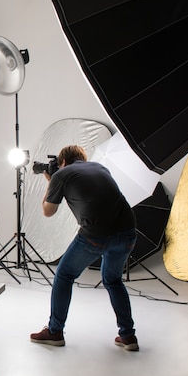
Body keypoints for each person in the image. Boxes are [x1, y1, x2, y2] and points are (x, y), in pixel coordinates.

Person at [30, 145, 139, 351]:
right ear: (82, 158)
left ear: (62, 162)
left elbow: (48, 211)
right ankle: (128, 336)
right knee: (114, 280)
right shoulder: (99, 167)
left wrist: (51, 182)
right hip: (128, 232)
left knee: (64, 275)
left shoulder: (61, 175)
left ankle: (54, 331)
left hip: (96, 235)